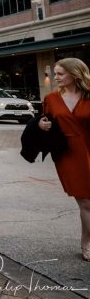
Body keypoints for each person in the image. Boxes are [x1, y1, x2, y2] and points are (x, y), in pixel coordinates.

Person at [38, 58, 90, 262]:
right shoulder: (51, 98)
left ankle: (86, 239)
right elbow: (42, 121)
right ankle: (88, 243)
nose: (55, 77)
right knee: (85, 200)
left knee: (88, 203)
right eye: (55, 73)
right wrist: (41, 126)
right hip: (68, 154)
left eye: (60, 74)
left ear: (75, 75)